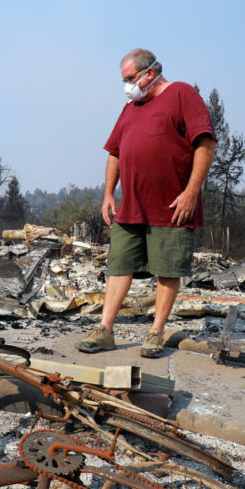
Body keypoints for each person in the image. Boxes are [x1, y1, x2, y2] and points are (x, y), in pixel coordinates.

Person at [76, 49, 216, 358]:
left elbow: (205, 141)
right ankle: (104, 330)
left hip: (171, 205)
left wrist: (192, 191)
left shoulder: (182, 94)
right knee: (119, 265)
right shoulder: (130, 108)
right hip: (132, 205)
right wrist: (109, 193)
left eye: (129, 79)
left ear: (149, 73)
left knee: (167, 269)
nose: (127, 86)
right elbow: (114, 151)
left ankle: (155, 332)